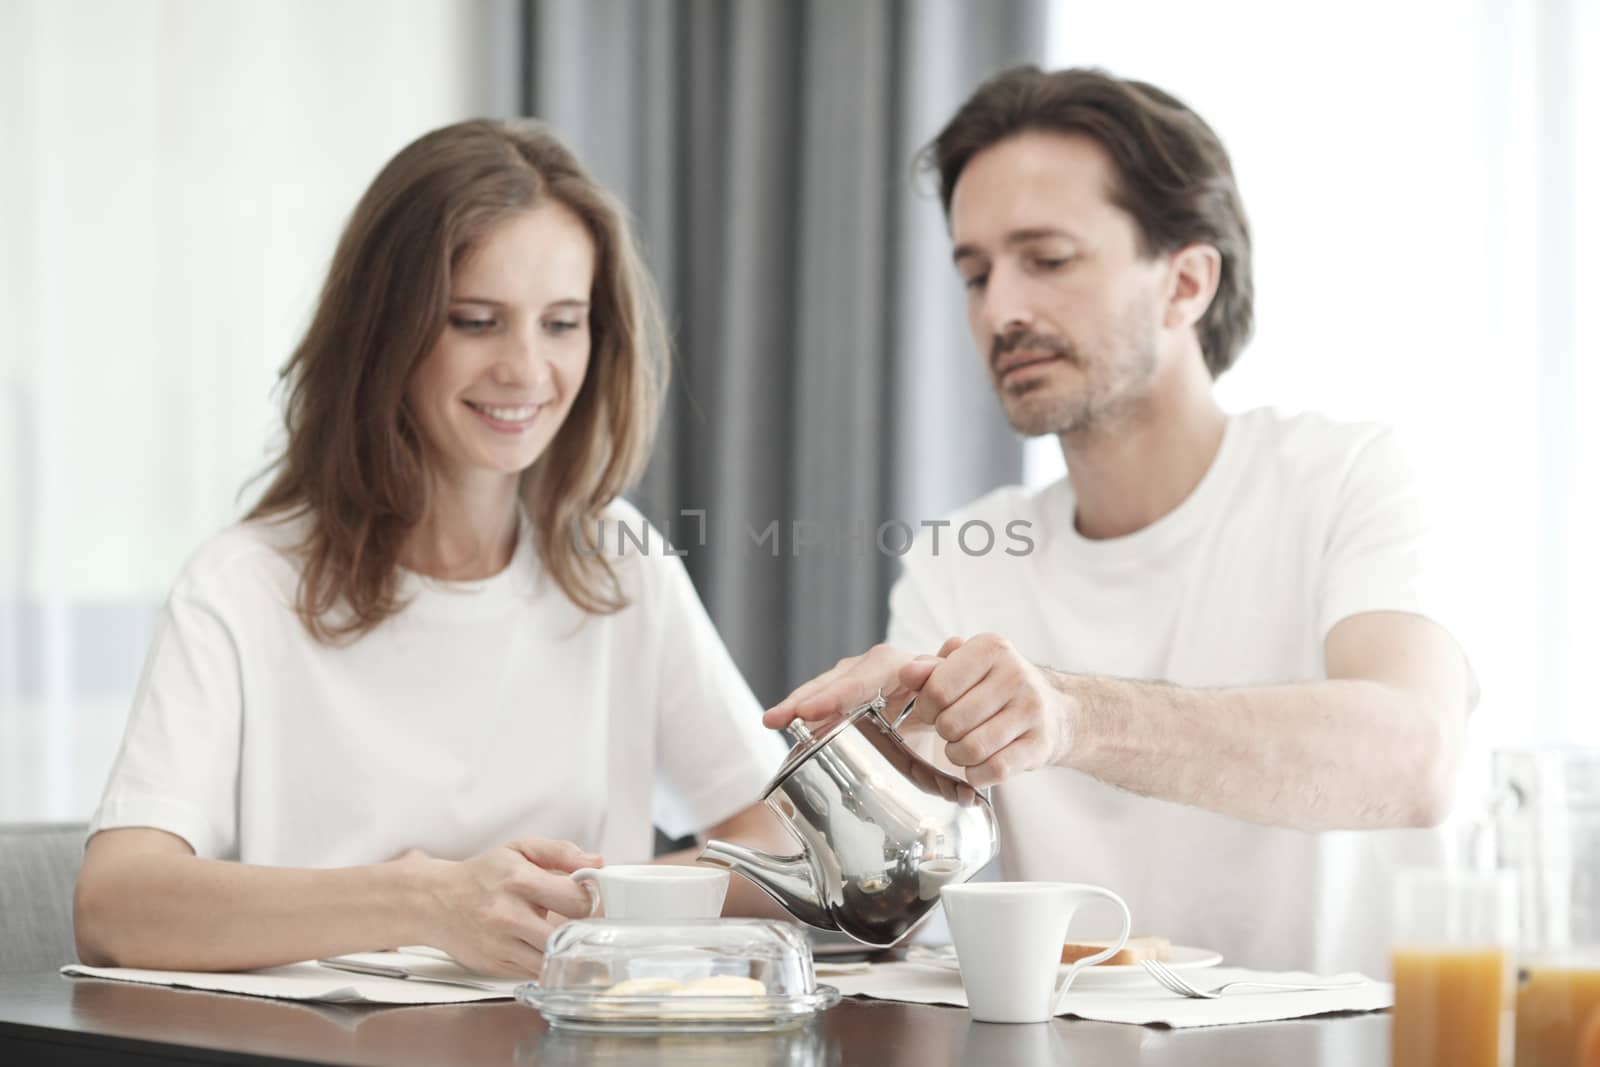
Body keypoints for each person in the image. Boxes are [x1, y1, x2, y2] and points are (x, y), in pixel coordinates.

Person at [764, 67, 1472, 975]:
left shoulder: (1347, 476)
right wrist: (872, 755)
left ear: (1185, 283)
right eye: (975, 273)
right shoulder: (961, 560)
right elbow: (890, 874)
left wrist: (1070, 716)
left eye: (1047, 259)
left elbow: (1414, 761)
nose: (1001, 310)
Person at [73, 119, 788, 977]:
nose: (527, 369)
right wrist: (423, 901)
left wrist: (581, 904)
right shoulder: (244, 584)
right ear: (386, 333)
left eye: (562, 323)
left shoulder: (616, 560)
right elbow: (116, 905)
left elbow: (777, 838)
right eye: (476, 321)